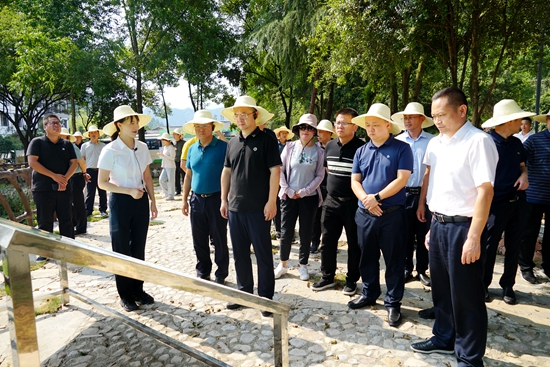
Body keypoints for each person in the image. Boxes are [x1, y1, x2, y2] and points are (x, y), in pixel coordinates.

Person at [410, 87, 498, 367]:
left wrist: (474, 237)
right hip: (439, 224)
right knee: (442, 290)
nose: (437, 121)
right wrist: (432, 225)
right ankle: (444, 337)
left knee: (467, 296)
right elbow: (436, 182)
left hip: (465, 227)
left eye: (442, 115)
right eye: (434, 116)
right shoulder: (436, 144)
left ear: (462, 110)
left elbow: (485, 192)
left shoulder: (478, 141)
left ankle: (470, 358)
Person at [349, 103, 413, 327]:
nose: (371, 129)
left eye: (376, 125)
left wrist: (376, 198)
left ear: (388, 125)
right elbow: (355, 181)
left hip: (392, 214)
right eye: (368, 125)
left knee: (394, 260)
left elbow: (402, 179)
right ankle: (369, 293)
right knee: (366, 256)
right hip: (364, 214)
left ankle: (393, 302)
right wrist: (367, 201)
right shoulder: (361, 151)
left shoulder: (402, 149)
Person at [220, 95, 281, 317]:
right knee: (240, 253)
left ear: (255, 115)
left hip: (259, 208)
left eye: (244, 115)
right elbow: (226, 171)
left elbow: (275, 171)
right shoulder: (232, 142)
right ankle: (243, 292)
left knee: (263, 254)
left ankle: (266, 298)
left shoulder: (267, 140)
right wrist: (223, 199)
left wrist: (272, 201)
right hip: (235, 208)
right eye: (237, 115)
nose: (240, 119)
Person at [97, 105, 158, 312]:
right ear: (118, 125)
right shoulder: (110, 150)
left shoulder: (142, 147)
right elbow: (102, 183)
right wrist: (127, 191)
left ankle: (138, 290)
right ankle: (125, 294)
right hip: (120, 202)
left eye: (136, 122)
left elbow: (147, 176)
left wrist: (153, 200)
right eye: (130, 122)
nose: (135, 126)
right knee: (121, 249)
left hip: (140, 201)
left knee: (138, 247)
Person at [480, 99, 532, 304]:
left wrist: (525, 175)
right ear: (507, 120)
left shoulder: (517, 143)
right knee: (488, 246)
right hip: (494, 205)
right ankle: (483, 285)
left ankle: (508, 285)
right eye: (518, 118)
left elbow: (522, 166)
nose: (521, 122)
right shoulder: (485, 143)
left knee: (514, 245)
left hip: (518, 203)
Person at [311, 108, 365, 295]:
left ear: (355, 126)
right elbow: (328, 171)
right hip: (331, 202)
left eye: (344, 123)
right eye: (337, 122)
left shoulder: (362, 148)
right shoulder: (330, 146)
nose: (339, 126)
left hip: (353, 204)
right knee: (327, 241)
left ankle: (351, 280)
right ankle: (327, 277)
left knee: (354, 243)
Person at [274, 114, 324, 281]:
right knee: (286, 231)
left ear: (315, 131)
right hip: (288, 197)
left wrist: (303, 191)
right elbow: (279, 170)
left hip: (308, 198)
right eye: (303, 127)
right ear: (298, 129)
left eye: (310, 128)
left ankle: (303, 265)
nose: (306, 131)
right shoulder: (289, 147)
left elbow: (320, 175)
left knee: (306, 232)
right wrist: (287, 189)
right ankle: (283, 263)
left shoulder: (319, 151)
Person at [181, 110, 229, 284]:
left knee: (219, 238)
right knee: (198, 238)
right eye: (198, 126)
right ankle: (203, 269)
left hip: (216, 198)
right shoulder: (192, 148)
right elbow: (188, 174)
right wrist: (184, 199)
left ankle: (222, 272)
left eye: (205, 126)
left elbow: (230, 174)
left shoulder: (224, 147)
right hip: (196, 199)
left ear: (212, 127)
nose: (201, 129)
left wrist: (226, 198)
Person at [393, 102, 435, 286]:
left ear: (422, 119)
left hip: (425, 194)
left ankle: (422, 270)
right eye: (405, 117)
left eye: (411, 117)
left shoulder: (432, 141)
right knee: (404, 233)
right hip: (403, 193)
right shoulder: (399, 141)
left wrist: (423, 200)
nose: (407, 120)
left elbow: (432, 170)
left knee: (423, 231)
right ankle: (406, 268)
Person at [27, 115, 77, 249]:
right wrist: (54, 176)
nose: (57, 125)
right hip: (43, 189)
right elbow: (32, 162)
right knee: (45, 222)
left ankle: (69, 249)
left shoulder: (67, 144)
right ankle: (45, 251)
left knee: (67, 220)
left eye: (59, 123)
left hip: (64, 188)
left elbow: (74, 163)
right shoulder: (37, 142)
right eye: (53, 123)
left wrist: (64, 179)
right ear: (45, 127)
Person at [518, 109, 550, 283]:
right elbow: (519, 160)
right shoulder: (534, 140)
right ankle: (525, 267)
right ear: (547, 120)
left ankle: (548, 266)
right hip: (533, 196)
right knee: (529, 233)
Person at [310, 119, 335, 253]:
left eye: (321, 131)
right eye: (318, 131)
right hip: (316, 187)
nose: (318, 134)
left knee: (328, 220)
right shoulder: (314, 148)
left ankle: (328, 244)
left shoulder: (335, 147)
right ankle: (314, 242)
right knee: (315, 217)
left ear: (329, 133)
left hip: (331, 188)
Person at [60, 128, 87, 236]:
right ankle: (75, 223)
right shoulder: (61, 147)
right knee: (69, 202)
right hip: (68, 177)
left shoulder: (71, 146)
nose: (61, 137)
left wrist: (84, 173)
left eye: (64, 136)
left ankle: (81, 227)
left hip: (76, 176)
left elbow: (82, 162)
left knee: (78, 202)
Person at [272, 126, 295, 239]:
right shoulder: (274, 146)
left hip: (287, 178)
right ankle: (278, 230)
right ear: (279, 134)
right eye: (282, 133)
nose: (284, 135)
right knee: (276, 202)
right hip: (276, 176)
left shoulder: (291, 146)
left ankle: (287, 230)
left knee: (285, 205)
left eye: (286, 133)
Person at [81, 125, 108, 217]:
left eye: (95, 132)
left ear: (98, 134)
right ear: (89, 134)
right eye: (91, 133)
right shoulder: (84, 146)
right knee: (90, 192)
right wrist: (84, 172)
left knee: (102, 191)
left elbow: (106, 159)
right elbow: (82, 159)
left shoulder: (103, 146)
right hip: (89, 171)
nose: (93, 134)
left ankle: (103, 210)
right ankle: (88, 210)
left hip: (101, 170)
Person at [157, 132, 176, 200]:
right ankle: (166, 193)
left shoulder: (171, 148)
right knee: (161, 180)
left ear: (167, 140)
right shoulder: (164, 147)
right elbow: (164, 157)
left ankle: (171, 195)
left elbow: (172, 158)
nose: (163, 141)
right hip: (165, 166)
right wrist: (161, 156)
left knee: (171, 181)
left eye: (163, 140)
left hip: (170, 166)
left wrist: (163, 156)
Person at [173, 128, 186, 196]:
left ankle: (185, 190)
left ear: (179, 135)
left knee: (184, 176)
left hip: (182, 161)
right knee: (176, 177)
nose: (174, 136)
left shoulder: (184, 143)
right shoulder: (174, 143)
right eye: (173, 134)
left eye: (175, 134)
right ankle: (178, 190)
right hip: (175, 161)